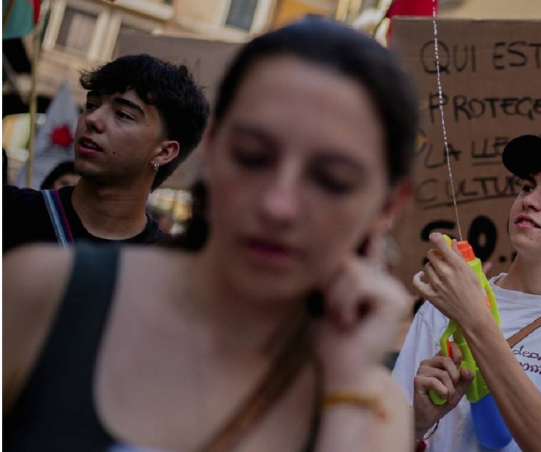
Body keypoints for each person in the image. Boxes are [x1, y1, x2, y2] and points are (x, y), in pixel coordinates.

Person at [4, 18, 417, 451]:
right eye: (252, 156)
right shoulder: (45, 291)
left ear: (388, 206)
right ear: (213, 149)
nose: (278, 205)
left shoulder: (371, 406)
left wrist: (344, 392)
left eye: (332, 180)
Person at [394, 135, 541, 451]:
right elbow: (378, 437)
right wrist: (417, 423)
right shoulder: (446, 301)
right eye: (527, 187)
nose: (529, 200)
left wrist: (474, 319)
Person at [2, 54, 209, 253]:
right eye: (91, 105)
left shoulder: (168, 266)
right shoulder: (10, 212)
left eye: (123, 115)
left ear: (164, 152)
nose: (92, 119)